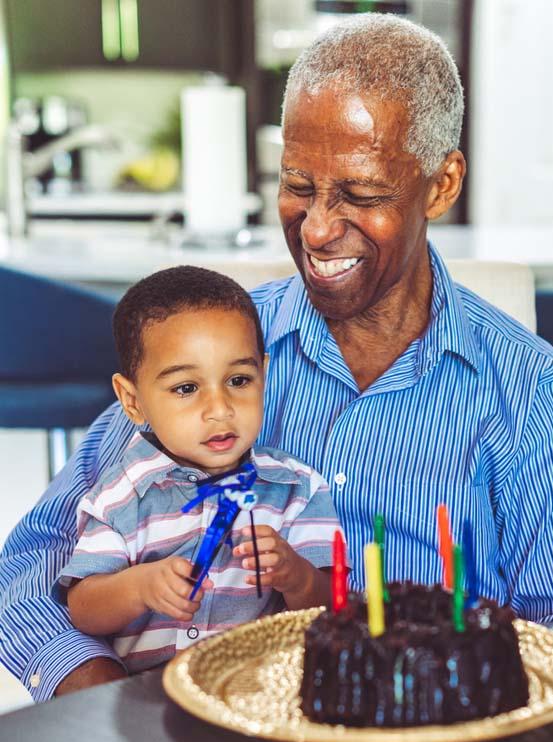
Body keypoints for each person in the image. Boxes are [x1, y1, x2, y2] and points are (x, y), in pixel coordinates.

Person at [0, 14, 553, 700]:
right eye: (298, 184)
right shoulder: (209, 351)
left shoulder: (530, 392)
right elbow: (32, 568)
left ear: (441, 186)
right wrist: (100, 694)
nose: (319, 228)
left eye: (361, 193)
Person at [54, 265, 339, 673]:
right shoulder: (121, 496)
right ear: (131, 401)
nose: (220, 409)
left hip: (256, 699)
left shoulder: (298, 490)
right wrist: (141, 587)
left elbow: (330, 608)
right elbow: (83, 608)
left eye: (239, 380)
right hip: (150, 710)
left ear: (265, 372)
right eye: (186, 388)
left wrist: (297, 576)